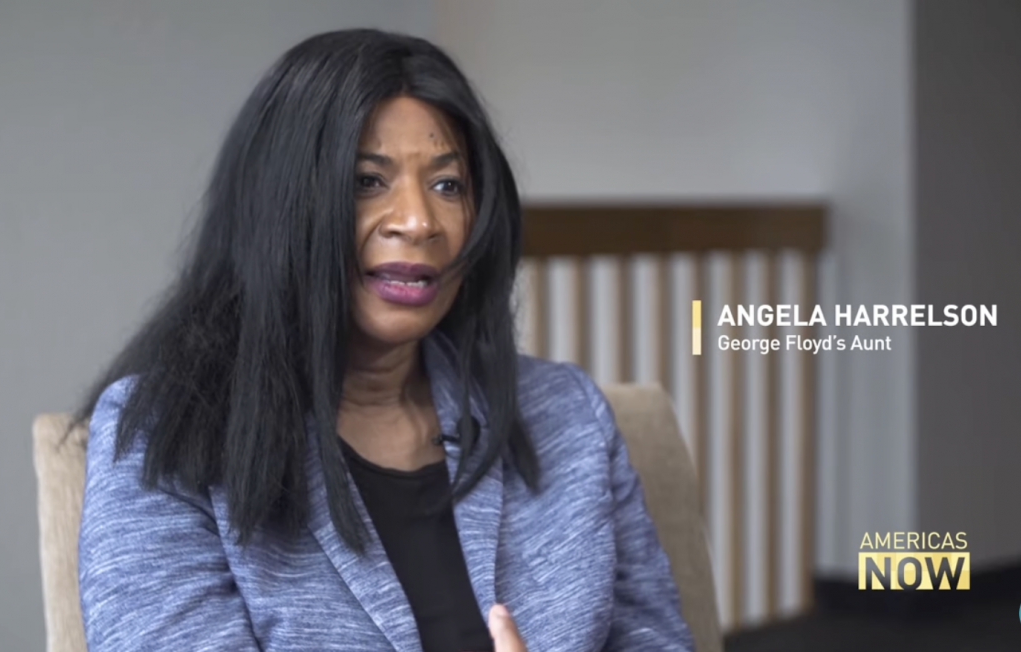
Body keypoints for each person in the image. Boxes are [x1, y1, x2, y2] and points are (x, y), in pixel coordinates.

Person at [75, 28, 694, 652]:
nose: (419, 221)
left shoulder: (568, 414)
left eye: (448, 185)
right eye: (368, 180)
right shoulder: (167, 434)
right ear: (283, 206)